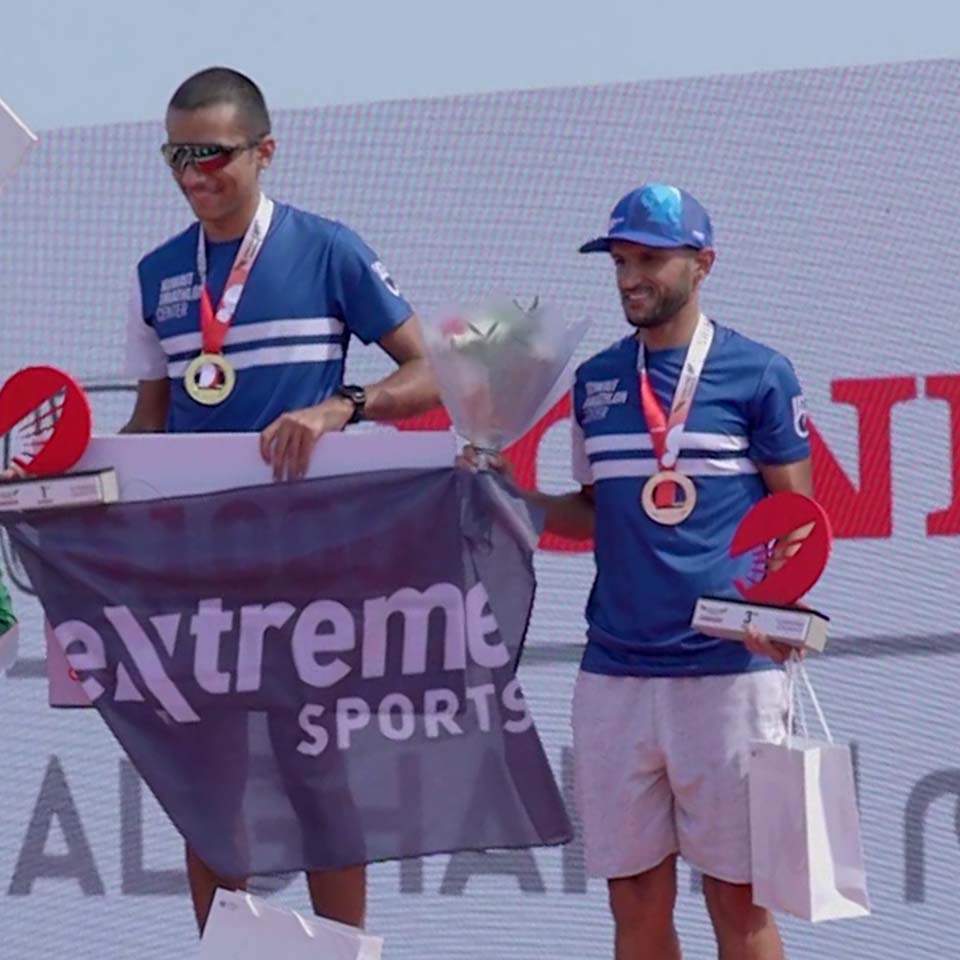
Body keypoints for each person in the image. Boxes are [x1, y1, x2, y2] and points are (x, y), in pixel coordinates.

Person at [122, 66, 439, 933]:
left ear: (265, 152)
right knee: (209, 784)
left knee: (316, 774)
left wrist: (344, 407)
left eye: (214, 155)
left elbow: (433, 371)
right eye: (177, 154)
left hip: (310, 565)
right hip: (201, 570)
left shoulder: (327, 249)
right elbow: (148, 423)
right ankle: (229, 953)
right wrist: (66, 485)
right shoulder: (157, 276)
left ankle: (340, 954)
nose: (194, 174)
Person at [469, 183, 811, 959]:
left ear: (703, 264)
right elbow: (597, 513)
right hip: (617, 674)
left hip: (727, 671)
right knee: (634, 903)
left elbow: (798, 522)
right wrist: (511, 497)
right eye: (621, 261)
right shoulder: (594, 384)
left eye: (650, 259)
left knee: (739, 901)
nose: (630, 277)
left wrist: (780, 616)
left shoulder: (759, 373)